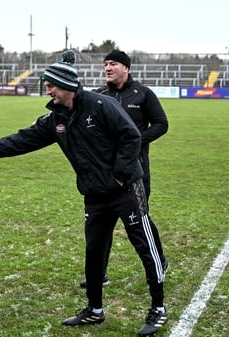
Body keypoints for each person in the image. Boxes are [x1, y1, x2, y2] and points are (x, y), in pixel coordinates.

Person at [0, 51, 168, 337]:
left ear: (65, 85)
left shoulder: (101, 105)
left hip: (126, 190)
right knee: (94, 252)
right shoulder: (55, 119)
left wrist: (120, 176)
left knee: (144, 246)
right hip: (94, 196)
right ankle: (94, 309)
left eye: (51, 84)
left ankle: (158, 308)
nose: (46, 89)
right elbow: (23, 140)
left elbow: (131, 136)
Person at [79, 50, 169, 289]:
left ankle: (160, 261)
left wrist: (136, 139)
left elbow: (161, 124)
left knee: (141, 220)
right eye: (106, 64)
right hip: (105, 173)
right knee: (103, 223)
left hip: (135, 171)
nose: (108, 68)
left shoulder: (143, 94)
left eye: (113, 64)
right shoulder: (99, 95)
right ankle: (100, 274)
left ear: (126, 68)